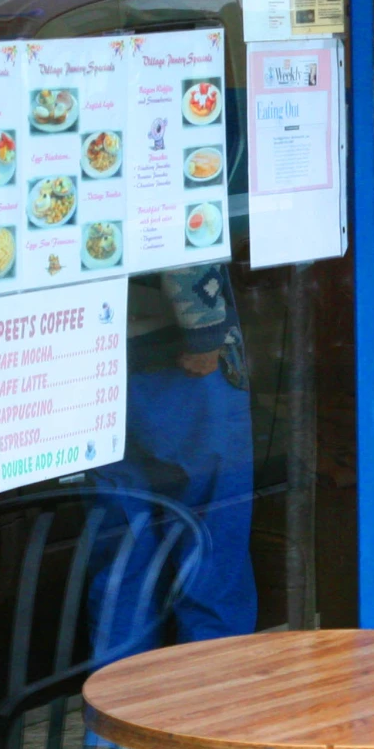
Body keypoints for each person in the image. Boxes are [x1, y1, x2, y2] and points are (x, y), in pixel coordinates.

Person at [89, 262, 257, 657]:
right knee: (212, 544)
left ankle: (120, 708)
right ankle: (208, 705)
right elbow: (178, 214)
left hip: (95, 343)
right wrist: (204, 331)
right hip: (176, 358)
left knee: (124, 548)